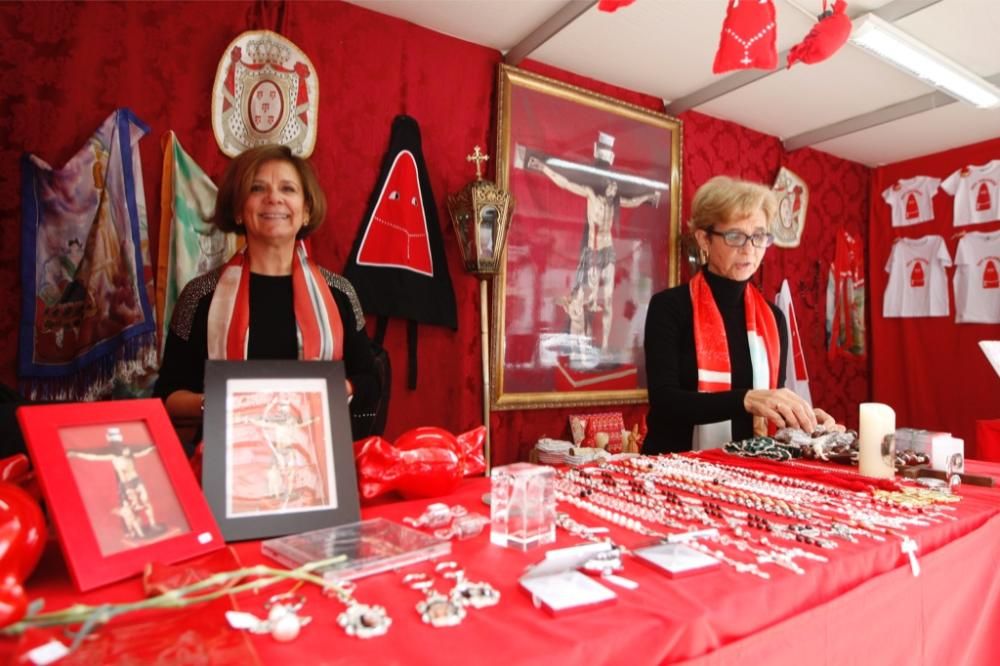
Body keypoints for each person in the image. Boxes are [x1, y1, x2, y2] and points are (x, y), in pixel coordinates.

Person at [154, 144, 379, 451]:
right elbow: (167, 396)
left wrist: (334, 390)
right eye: (257, 188)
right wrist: (220, 402)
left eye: (288, 188)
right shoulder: (200, 295)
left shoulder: (339, 293)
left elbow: (369, 381)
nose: (274, 198)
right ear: (237, 209)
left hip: (317, 462)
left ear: (306, 210)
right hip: (228, 463)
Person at [644, 176, 838, 454]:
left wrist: (804, 420)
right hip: (672, 468)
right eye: (735, 236)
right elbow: (666, 402)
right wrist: (745, 399)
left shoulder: (773, 318)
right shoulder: (669, 307)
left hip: (749, 471)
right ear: (704, 239)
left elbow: (769, 404)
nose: (749, 248)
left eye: (759, 236)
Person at [527, 155, 660, 350]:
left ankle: (604, 347)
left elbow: (633, 202)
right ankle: (579, 342)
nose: (614, 188)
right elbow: (565, 183)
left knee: (606, 300)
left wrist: (649, 196)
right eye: (612, 185)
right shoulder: (591, 194)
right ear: (605, 185)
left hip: (607, 251)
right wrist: (544, 168)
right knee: (582, 300)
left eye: (616, 187)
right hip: (592, 252)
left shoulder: (615, 202)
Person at [66, 427, 163, 539]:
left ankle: (152, 524)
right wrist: (75, 453)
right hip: (126, 483)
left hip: (135, 479)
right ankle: (137, 532)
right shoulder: (112, 453)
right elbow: (93, 456)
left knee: (145, 502)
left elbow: (145, 450)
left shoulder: (129, 450)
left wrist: (157, 445)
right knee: (132, 507)